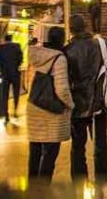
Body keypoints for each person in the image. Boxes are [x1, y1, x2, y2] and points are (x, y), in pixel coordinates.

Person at [26, 27, 74, 182]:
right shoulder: (59, 58)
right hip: (51, 111)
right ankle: (44, 188)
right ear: (62, 39)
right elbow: (62, 89)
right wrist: (70, 104)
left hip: (34, 106)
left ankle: (33, 187)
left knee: (35, 151)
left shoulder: (36, 55)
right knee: (50, 153)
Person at [64, 14, 106, 180]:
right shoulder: (99, 46)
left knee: (78, 146)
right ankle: (103, 178)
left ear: (71, 28)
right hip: (99, 100)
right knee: (100, 143)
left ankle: (79, 180)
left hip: (78, 102)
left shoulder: (68, 50)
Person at [0, 34, 23, 123]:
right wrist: (16, 65)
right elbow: (20, 59)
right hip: (15, 73)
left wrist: (2, 68)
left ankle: (6, 114)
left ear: (4, 39)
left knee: (4, 95)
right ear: (11, 39)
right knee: (16, 93)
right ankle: (15, 110)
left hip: (4, 74)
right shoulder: (17, 47)